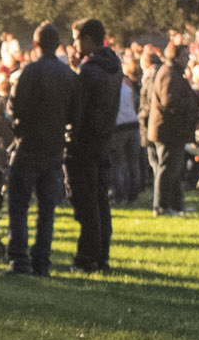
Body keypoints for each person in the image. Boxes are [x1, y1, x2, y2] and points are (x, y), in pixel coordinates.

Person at [6, 22, 79, 276]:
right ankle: (42, 261)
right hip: (54, 146)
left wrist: (19, 130)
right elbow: (75, 112)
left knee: (19, 206)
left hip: (29, 145)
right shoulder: (68, 74)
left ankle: (19, 259)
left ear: (36, 45)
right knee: (47, 210)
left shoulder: (32, 72)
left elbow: (17, 107)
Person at [67, 19, 122, 273]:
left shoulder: (89, 71)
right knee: (100, 201)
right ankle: (101, 255)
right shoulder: (114, 66)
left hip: (86, 143)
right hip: (104, 140)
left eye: (76, 39)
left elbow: (78, 110)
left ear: (87, 40)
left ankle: (86, 257)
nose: (74, 44)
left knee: (86, 202)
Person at [144, 43, 199, 216]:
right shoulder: (169, 73)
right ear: (175, 57)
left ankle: (176, 205)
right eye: (185, 56)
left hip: (172, 129)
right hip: (168, 129)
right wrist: (192, 103)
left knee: (173, 170)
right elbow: (169, 101)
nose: (188, 59)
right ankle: (161, 206)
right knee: (167, 169)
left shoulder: (173, 73)